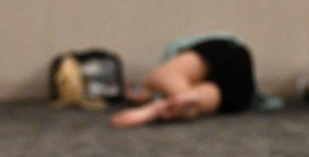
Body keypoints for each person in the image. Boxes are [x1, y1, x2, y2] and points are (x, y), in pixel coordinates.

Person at [111, 34, 259, 128]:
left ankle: (168, 103)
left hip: (229, 53)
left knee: (159, 78)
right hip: (240, 92)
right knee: (197, 99)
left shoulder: (182, 51)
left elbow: (158, 80)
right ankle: (177, 101)